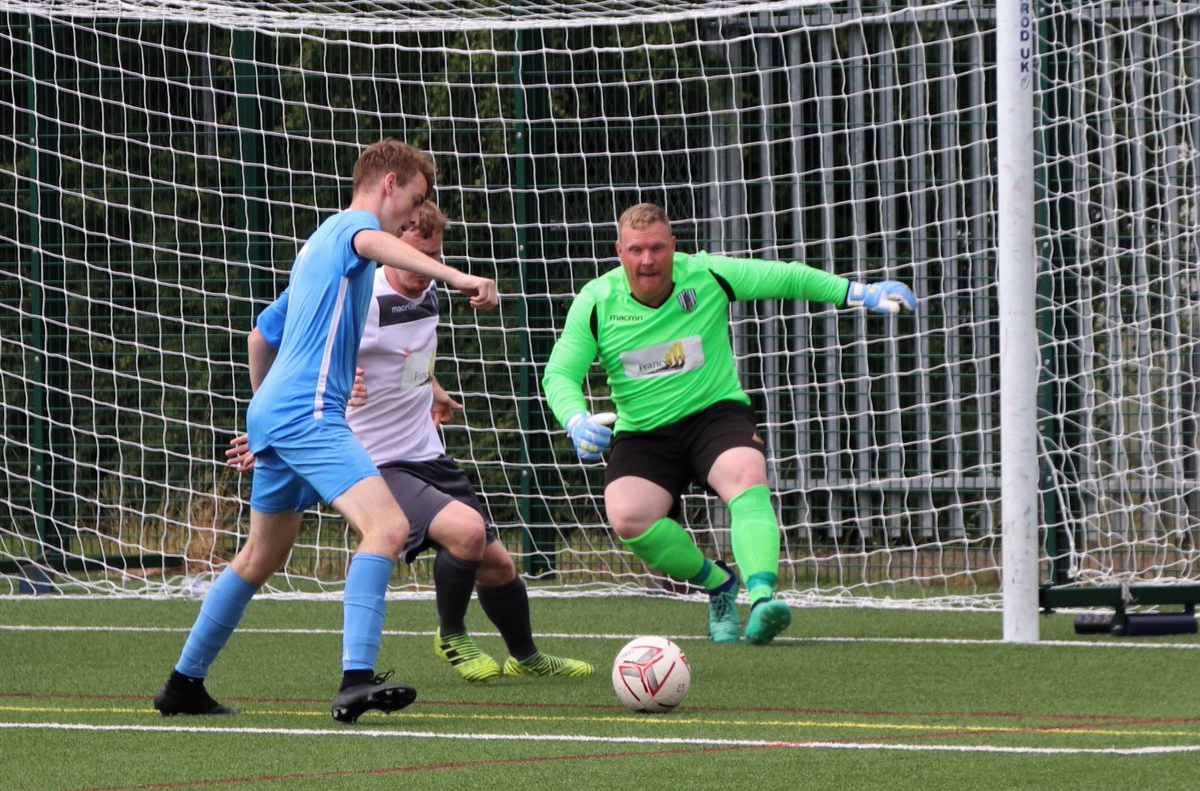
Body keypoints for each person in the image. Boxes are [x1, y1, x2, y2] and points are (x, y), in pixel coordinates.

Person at [153, 139, 498, 724]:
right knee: (387, 528)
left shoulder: (315, 248)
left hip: (282, 412)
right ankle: (356, 680)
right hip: (308, 412)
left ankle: (183, 684)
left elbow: (261, 337)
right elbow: (373, 239)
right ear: (388, 183)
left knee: (261, 555)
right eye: (413, 200)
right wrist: (458, 276)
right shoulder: (350, 230)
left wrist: (263, 419)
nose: (415, 215)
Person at [227, 202, 594, 684]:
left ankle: (526, 657)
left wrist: (432, 390)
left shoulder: (428, 294)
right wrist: (279, 424)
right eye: (417, 256)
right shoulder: (362, 295)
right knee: (465, 531)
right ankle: (451, 635)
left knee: (498, 564)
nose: (425, 270)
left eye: (435, 255)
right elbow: (284, 347)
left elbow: (408, 356)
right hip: (378, 462)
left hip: (427, 452)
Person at [541, 202, 916, 646]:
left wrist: (858, 292)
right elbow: (560, 373)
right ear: (619, 250)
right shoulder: (596, 302)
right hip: (643, 431)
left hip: (714, 415)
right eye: (637, 250)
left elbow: (786, 276)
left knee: (746, 477)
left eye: (658, 248)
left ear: (673, 246)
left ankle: (762, 600)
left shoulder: (707, 274)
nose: (648, 260)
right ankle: (719, 585)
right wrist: (575, 418)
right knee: (627, 517)